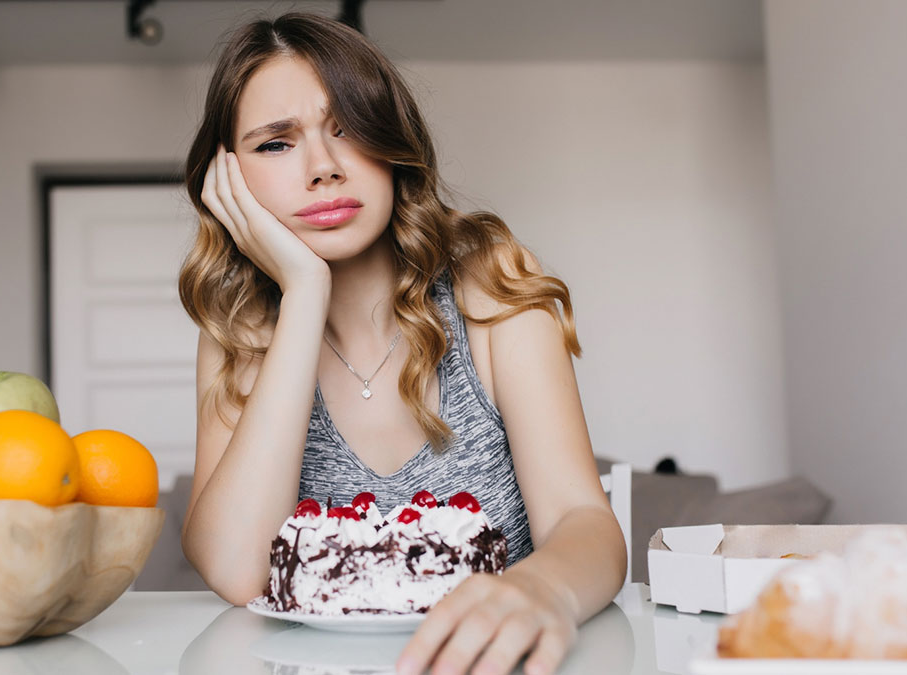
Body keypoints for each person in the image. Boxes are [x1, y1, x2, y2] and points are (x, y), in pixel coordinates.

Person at [178, 12, 626, 675]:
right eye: (276, 143)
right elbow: (240, 571)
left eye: (348, 129)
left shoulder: (489, 281)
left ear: (392, 143)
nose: (323, 168)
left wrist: (541, 589)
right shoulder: (240, 328)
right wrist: (304, 292)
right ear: (229, 178)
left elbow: (583, 519)